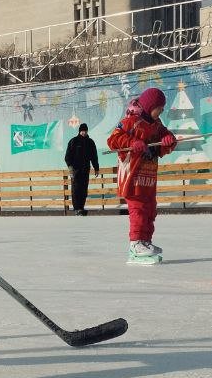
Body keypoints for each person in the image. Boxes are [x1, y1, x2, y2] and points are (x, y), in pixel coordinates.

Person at [107, 87, 177, 264]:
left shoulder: (157, 125)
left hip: (149, 176)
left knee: (150, 209)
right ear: (149, 105)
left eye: (162, 108)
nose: (161, 111)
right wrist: (133, 142)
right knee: (138, 209)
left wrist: (169, 140)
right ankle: (135, 244)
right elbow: (113, 140)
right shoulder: (131, 122)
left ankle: (145, 241)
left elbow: (166, 140)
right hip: (133, 175)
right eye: (159, 107)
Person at [64, 122, 100, 216]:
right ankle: (76, 208)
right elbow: (68, 156)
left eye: (85, 131)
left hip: (85, 169)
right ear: (79, 131)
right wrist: (70, 167)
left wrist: (96, 168)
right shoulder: (74, 141)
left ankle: (81, 207)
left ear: (87, 131)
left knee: (84, 189)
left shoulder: (90, 142)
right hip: (75, 170)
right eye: (82, 131)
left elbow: (94, 156)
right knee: (76, 189)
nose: (84, 132)